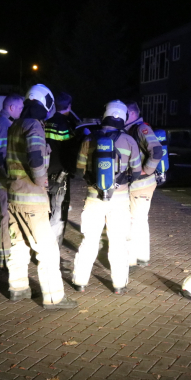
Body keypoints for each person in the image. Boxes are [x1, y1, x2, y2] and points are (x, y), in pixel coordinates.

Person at [5, 84, 77, 309]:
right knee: (47, 249)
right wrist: (41, 181)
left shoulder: (14, 125)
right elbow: (36, 158)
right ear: (45, 103)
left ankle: (18, 288)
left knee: (18, 244)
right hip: (32, 199)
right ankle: (54, 297)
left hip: (14, 196)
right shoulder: (34, 126)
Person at [72, 100, 142, 294]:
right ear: (123, 117)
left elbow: (79, 170)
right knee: (118, 242)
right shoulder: (129, 141)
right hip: (119, 201)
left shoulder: (89, 140)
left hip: (93, 198)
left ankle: (80, 281)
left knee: (89, 240)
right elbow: (136, 172)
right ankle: (119, 285)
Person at [0, 93, 24, 271]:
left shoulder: (2, 123)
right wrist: (9, 177)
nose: (22, 111)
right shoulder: (3, 124)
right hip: (1, 182)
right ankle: (3, 260)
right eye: (20, 108)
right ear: (11, 108)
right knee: (4, 219)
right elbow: (0, 154)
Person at [124, 101, 164, 270]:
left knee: (135, 220)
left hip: (141, 183)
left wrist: (145, 170)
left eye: (124, 113)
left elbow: (157, 150)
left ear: (132, 114)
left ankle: (133, 258)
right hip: (138, 184)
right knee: (139, 220)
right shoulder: (132, 129)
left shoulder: (141, 129)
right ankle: (142, 256)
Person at [44, 92, 78, 247]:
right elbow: (69, 151)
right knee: (59, 210)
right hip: (60, 175)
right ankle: (52, 246)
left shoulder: (46, 123)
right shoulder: (67, 125)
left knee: (46, 210)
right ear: (69, 107)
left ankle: (41, 241)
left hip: (44, 172)